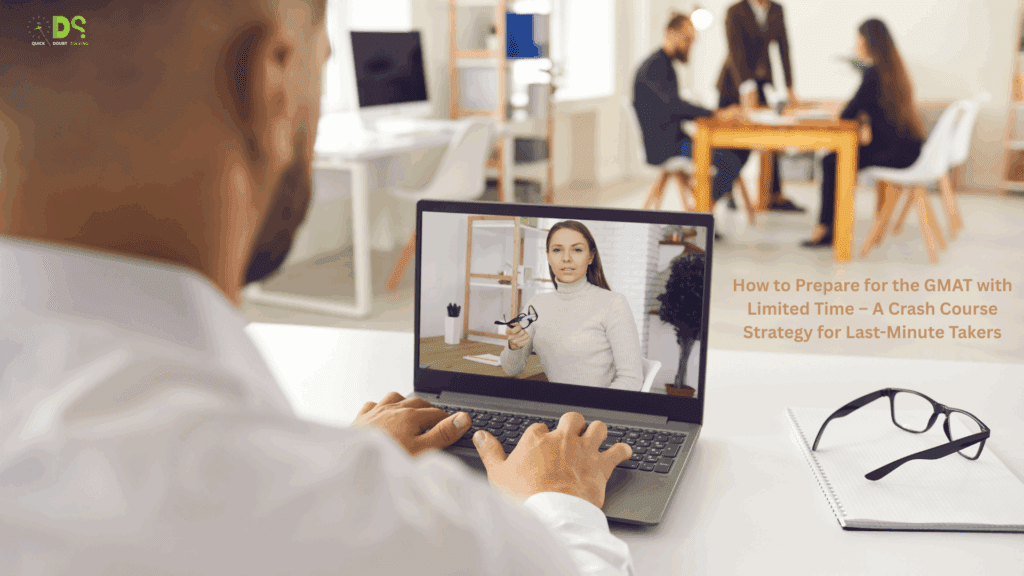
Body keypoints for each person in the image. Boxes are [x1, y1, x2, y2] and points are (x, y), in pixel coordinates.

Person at [0, 2, 634, 574]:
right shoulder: (398, 533)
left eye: (576, 250)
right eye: (323, 64)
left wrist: (339, 460)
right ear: (270, 86)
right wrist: (564, 503)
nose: (566, 258)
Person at [800, 19, 925, 247]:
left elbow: (847, 114)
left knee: (831, 161)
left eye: (858, 39)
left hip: (896, 153)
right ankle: (830, 226)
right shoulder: (892, 70)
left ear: (868, 42)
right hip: (908, 148)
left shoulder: (873, 73)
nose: (856, 44)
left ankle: (826, 228)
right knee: (833, 160)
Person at [500, 221, 644, 391]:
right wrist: (514, 347)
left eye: (577, 250)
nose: (566, 258)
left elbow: (632, 380)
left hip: (597, 406)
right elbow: (512, 369)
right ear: (548, 256)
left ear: (591, 256)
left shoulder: (613, 303)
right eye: (557, 250)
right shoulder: (536, 305)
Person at [633, 12, 744, 209]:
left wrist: (710, 113)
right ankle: (701, 209)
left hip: (672, 141)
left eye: (692, 41)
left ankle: (701, 207)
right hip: (665, 147)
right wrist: (715, 114)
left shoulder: (663, 64)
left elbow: (673, 105)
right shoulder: (655, 67)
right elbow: (675, 106)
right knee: (730, 160)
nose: (689, 45)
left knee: (732, 152)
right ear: (670, 33)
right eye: (686, 39)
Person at [716, 0, 805, 212]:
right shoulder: (735, 11)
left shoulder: (776, 10)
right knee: (730, 141)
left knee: (772, 135)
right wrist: (746, 87)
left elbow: (784, 48)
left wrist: (790, 86)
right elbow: (735, 49)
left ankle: (773, 194)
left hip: (763, 79)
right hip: (734, 82)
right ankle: (725, 191)